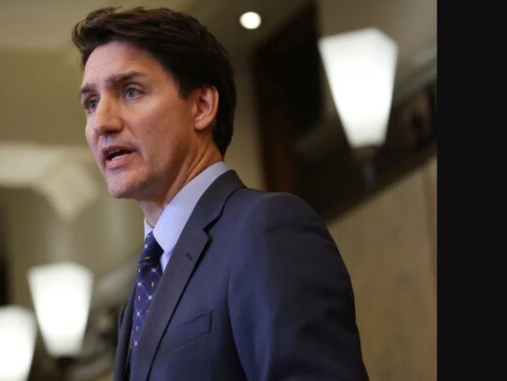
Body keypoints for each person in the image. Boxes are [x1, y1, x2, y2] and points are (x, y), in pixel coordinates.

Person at [72, 7, 368, 381]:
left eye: (131, 91)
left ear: (202, 107)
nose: (102, 123)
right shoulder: (143, 289)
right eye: (91, 103)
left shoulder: (266, 229)